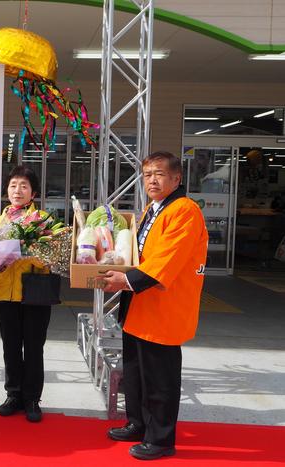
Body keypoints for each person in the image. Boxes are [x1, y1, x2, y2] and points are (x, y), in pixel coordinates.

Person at [102, 150, 208, 461]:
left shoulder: (185, 211)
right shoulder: (154, 208)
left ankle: (161, 439)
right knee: (135, 373)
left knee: (160, 379)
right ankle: (138, 423)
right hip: (140, 306)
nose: (152, 180)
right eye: (147, 174)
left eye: (159, 174)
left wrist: (124, 280)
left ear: (177, 178)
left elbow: (166, 260)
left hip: (163, 308)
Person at [0, 165, 52, 423]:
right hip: (4, 294)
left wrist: (24, 251)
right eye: (13, 185)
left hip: (34, 294)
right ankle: (13, 395)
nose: (17, 190)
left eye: (24, 186)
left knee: (34, 348)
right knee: (10, 347)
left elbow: (51, 261)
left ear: (33, 193)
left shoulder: (43, 220)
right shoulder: (0, 220)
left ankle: (32, 398)